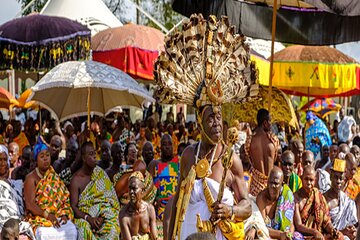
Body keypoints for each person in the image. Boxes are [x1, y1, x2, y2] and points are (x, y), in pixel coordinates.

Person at [157, 15, 254, 240]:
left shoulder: (231, 159)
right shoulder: (189, 155)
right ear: (199, 121)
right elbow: (176, 201)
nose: (217, 123)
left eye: (219, 117)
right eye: (210, 118)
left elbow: (247, 205)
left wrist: (231, 210)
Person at [24, 141, 77, 240]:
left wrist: (64, 214)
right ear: (36, 160)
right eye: (42, 156)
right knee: (44, 233)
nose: (45, 159)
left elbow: (64, 198)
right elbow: (30, 205)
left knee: (71, 230)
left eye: (47, 155)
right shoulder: (30, 178)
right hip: (40, 217)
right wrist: (48, 215)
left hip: (57, 216)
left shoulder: (53, 175)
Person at [70, 142, 120, 239]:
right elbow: (73, 207)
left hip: (103, 215)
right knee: (83, 230)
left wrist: (102, 216)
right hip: (85, 217)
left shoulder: (100, 173)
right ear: (84, 158)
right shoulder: (76, 180)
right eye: (91, 154)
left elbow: (109, 199)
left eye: (94, 153)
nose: (94, 157)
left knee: (113, 227)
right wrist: (89, 218)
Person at [293, 166, 342, 239]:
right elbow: (299, 226)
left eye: (311, 180)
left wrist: (332, 230)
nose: (308, 183)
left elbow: (327, 221)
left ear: (315, 180)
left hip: (320, 236)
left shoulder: (318, 195)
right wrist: (315, 232)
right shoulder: (295, 198)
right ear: (301, 178)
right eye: (306, 179)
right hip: (302, 237)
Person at [254, 167, 303, 240]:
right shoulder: (262, 198)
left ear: (282, 184)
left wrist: (289, 234)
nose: (272, 186)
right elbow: (262, 227)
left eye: (276, 183)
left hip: (285, 234)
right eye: (270, 182)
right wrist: (281, 235)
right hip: (267, 235)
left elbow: (291, 224)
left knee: (298, 237)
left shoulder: (287, 196)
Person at [0, 145, 35, 239]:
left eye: (4, 159)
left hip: (15, 220)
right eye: (0, 160)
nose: (3, 163)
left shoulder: (16, 184)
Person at [246, 108, 279, 196]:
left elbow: (248, 158)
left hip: (256, 187)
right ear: (264, 123)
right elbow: (275, 157)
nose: (271, 125)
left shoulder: (250, 140)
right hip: (272, 185)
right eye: (270, 122)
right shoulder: (274, 140)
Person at [324, 159, 357, 240]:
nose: (338, 181)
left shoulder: (347, 201)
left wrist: (351, 230)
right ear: (331, 176)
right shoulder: (323, 199)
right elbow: (322, 229)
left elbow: (353, 223)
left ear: (344, 180)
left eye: (341, 178)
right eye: (336, 177)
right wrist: (342, 232)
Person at [148, 134, 179, 221]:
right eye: (164, 144)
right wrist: (155, 198)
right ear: (160, 147)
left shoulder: (179, 162)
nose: (167, 147)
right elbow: (147, 187)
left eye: (170, 144)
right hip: (159, 209)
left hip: (176, 208)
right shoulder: (154, 164)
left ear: (173, 146)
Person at [119, 171, 157, 240]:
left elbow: (154, 237)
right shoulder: (124, 214)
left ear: (142, 190)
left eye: (134, 188)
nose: (131, 192)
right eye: (130, 188)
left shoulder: (149, 209)